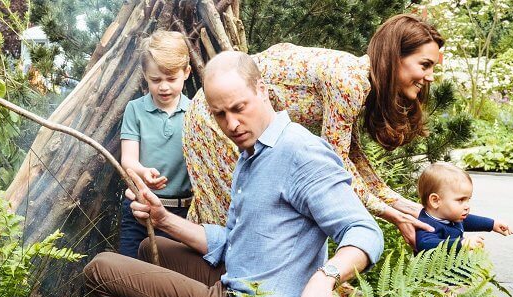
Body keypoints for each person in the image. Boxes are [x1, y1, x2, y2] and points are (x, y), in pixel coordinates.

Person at [85, 51, 383, 297]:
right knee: (150, 247)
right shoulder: (252, 153)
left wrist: (325, 278)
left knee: (100, 269)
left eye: (239, 108)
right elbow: (237, 241)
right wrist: (163, 219)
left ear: (263, 91)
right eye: (220, 114)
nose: (232, 124)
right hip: (240, 280)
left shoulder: (301, 152)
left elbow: (364, 232)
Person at [183, 13, 444, 248]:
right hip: (214, 115)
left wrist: (402, 204)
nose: (430, 76)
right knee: (236, 218)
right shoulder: (349, 81)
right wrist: (389, 213)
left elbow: (352, 156)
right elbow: (336, 165)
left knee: (229, 213)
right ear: (395, 57)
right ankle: (223, 295)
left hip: (227, 114)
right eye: (425, 65)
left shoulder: (358, 80)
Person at [118, 30, 193, 257]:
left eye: (171, 79)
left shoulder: (195, 112)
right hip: (139, 208)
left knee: (169, 280)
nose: (164, 87)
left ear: (187, 72)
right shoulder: (135, 110)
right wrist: (142, 172)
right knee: (130, 273)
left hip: (181, 214)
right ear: (145, 75)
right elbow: (128, 160)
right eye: (156, 79)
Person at [415, 162, 513, 253]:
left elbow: (467, 221)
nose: (467, 206)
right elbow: (425, 245)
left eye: (468, 199)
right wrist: (460, 244)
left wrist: (492, 224)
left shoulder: (450, 216)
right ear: (435, 200)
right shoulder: (427, 225)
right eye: (461, 200)